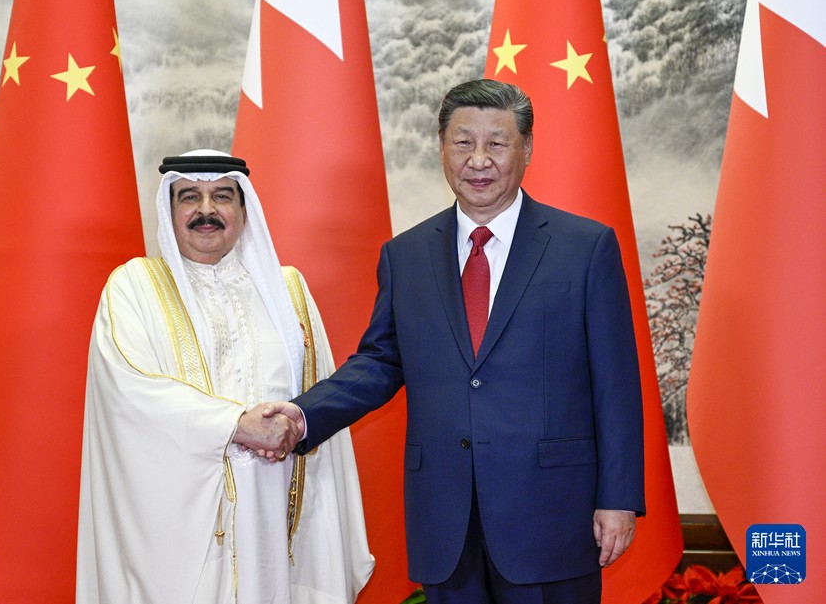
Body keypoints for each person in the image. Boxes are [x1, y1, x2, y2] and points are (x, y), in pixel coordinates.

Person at [269, 79, 645, 604]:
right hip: (445, 517)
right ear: (441, 146)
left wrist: (619, 499)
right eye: (463, 142)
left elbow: (617, 385)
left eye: (497, 143)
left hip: (553, 515)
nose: (478, 159)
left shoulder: (585, 247)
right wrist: (301, 415)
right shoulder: (406, 255)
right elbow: (380, 360)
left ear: (527, 148)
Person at [76, 150, 374, 604]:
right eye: (190, 197)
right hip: (180, 533)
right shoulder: (133, 286)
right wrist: (238, 423)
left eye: (222, 196)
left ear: (243, 208)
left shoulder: (287, 290)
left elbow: (320, 397)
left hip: (277, 518)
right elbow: (130, 394)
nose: (206, 210)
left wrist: (286, 427)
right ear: (169, 209)